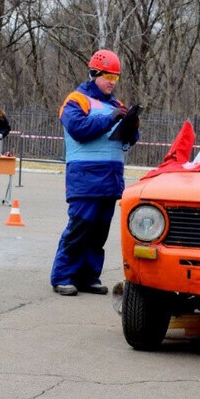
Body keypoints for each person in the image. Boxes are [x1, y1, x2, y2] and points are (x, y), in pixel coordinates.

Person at [50, 49, 138, 296]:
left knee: (99, 232)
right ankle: (63, 276)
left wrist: (132, 126)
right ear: (94, 74)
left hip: (110, 179)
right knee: (80, 228)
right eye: (108, 76)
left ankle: (89, 276)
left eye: (116, 77)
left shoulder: (117, 105)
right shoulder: (76, 101)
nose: (112, 81)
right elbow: (79, 129)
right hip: (85, 177)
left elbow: (128, 140)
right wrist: (112, 118)